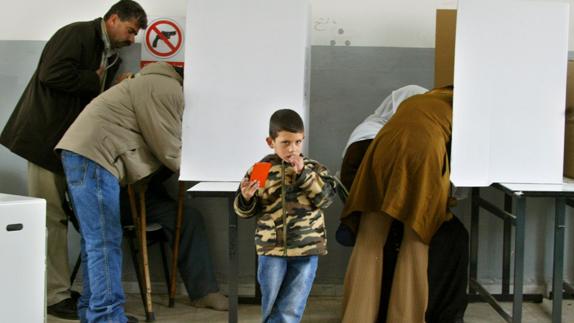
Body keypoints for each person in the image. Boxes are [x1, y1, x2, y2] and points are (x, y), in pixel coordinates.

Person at [0, 1, 147, 319]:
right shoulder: (77, 34)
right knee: (51, 218)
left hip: (71, 147)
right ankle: (54, 296)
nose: (132, 39)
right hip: (45, 142)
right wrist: (98, 81)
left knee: (73, 221)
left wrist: (109, 84)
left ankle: (68, 294)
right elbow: (52, 74)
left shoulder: (109, 54)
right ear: (113, 19)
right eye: (131, 30)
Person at [55, 61, 182, 323]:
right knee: (104, 241)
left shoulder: (147, 81)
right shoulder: (166, 87)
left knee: (96, 241)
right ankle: (107, 316)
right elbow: (167, 145)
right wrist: (197, 170)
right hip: (95, 158)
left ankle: (93, 312)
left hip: (82, 155)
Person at [338, 85, 468, 323]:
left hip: (382, 147)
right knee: (416, 239)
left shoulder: (418, 99)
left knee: (370, 239)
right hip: (422, 150)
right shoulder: (466, 108)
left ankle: (355, 317)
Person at [234, 109, 336, 323]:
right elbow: (245, 212)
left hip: (307, 249)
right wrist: (246, 198)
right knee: (270, 306)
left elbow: (325, 199)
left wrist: (304, 175)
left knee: (291, 307)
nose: (293, 149)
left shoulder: (313, 168)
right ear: (271, 142)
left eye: (298, 142)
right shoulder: (260, 170)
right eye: (286, 143)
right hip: (271, 250)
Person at [119, 168, 229, 311]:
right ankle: (204, 292)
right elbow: (168, 155)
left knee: (188, 217)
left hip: (144, 190)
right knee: (188, 218)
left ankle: (204, 291)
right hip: (122, 196)